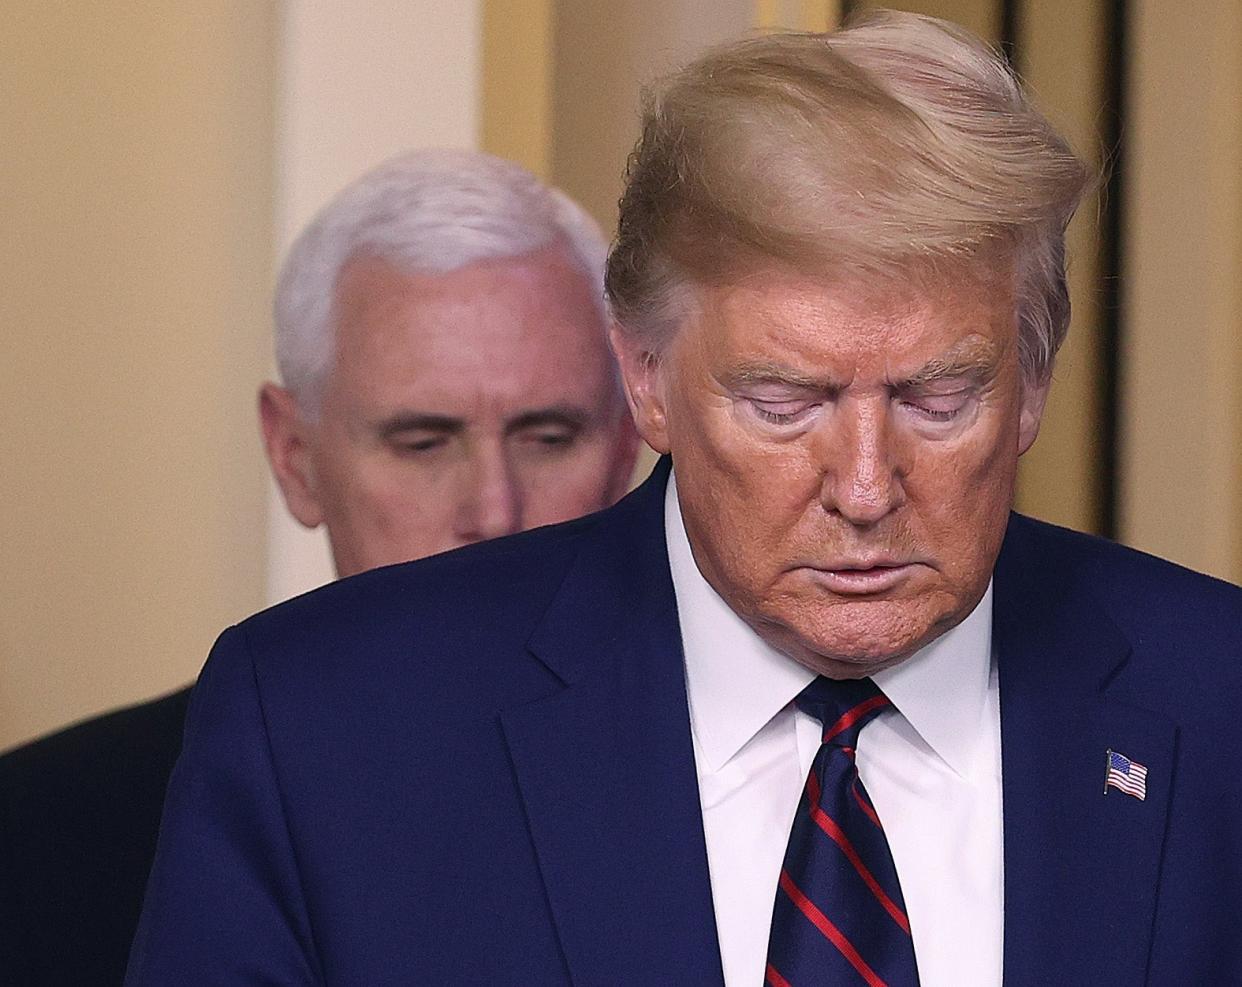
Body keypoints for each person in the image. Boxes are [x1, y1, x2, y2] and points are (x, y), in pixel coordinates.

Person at [125, 12, 1242, 987]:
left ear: (1033, 382)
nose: (864, 487)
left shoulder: (1217, 702)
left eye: (937, 399)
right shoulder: (331, 730)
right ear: (647, 379)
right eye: (783, 401)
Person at [0, 151, 637, 987]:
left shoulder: (770, 790)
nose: (494, 510)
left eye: (549, 437)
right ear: (294, 456)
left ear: (633, 441)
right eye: (423, 441)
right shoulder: (42, 839)